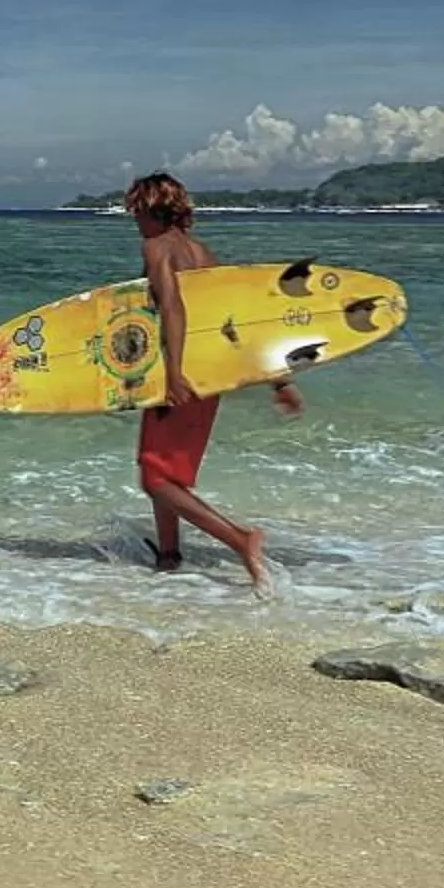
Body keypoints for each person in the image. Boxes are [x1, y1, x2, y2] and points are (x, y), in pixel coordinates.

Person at [125, 170, 301, 596]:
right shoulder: (204, 252)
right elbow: (235, 323)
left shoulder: (156, 248)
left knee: (155, 478)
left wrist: (172, 374)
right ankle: (168, 557)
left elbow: (172, 308)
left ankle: (241, 540)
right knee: (166, 469)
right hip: (211, 374)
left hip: (181, 372)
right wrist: (277, 379)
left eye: (136, 212)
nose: (134, 222)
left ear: (151, 210)